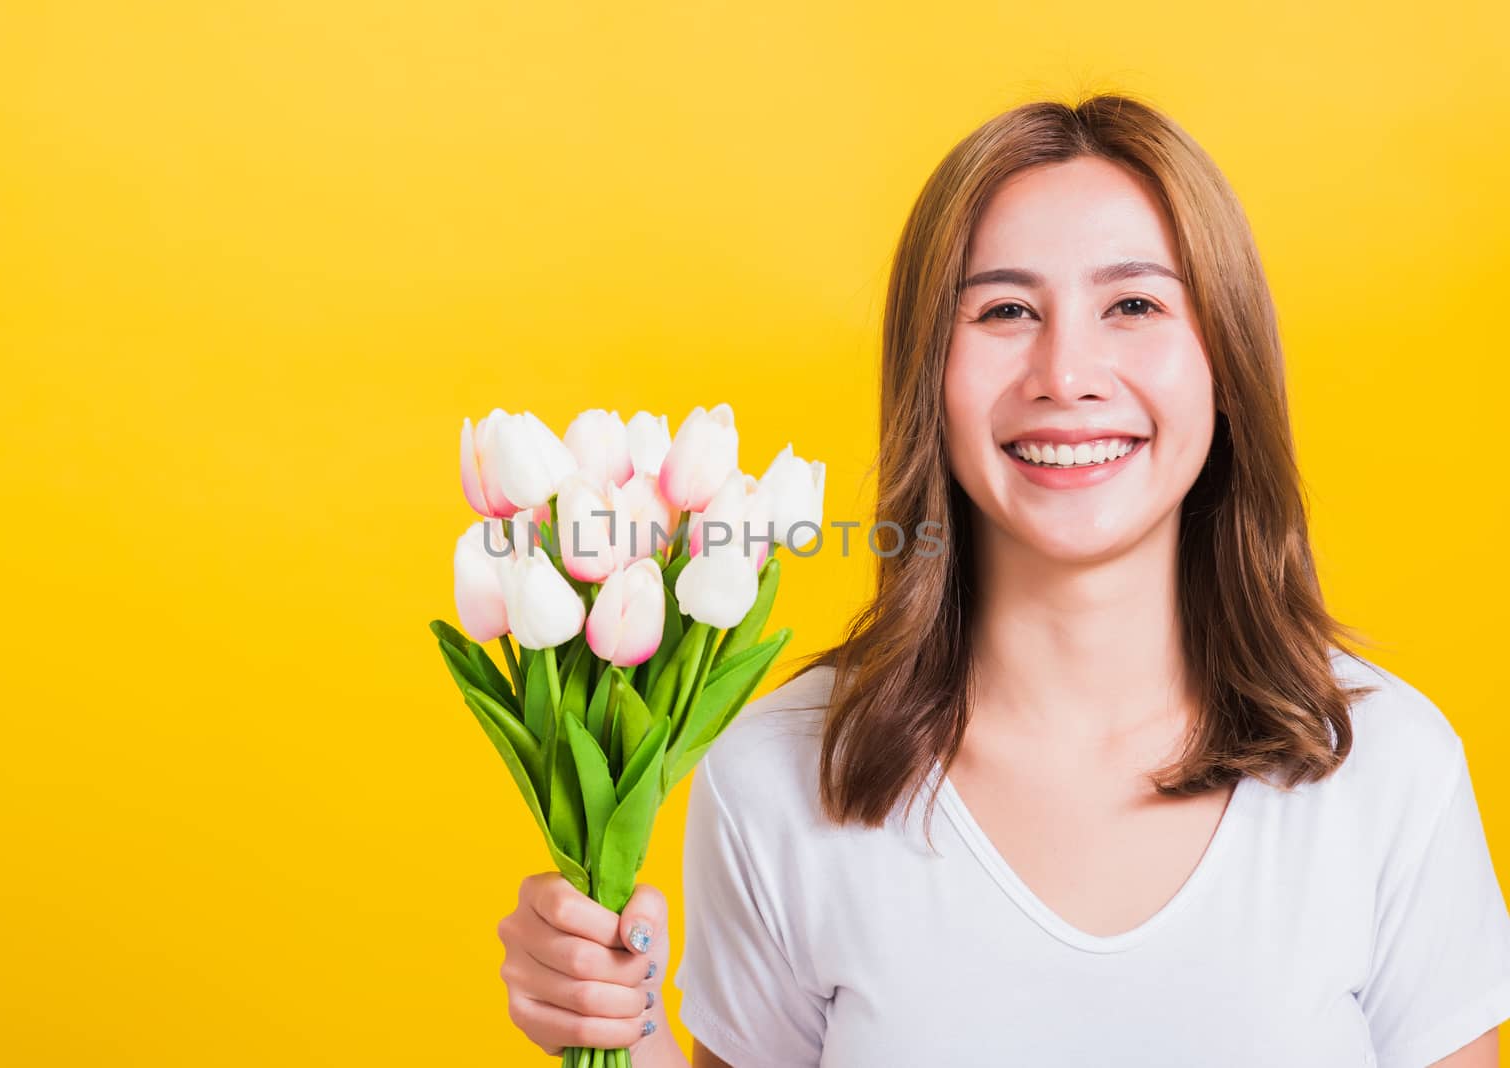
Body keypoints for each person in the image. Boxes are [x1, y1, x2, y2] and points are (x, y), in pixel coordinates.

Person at [492, 92, 1510, 1066]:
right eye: (1006, 310)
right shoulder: (776, 778)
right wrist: (619, 1028)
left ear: (1226, 364)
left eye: (1134, 303)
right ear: (925, 376)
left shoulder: (1387, 774)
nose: (1065, 373)